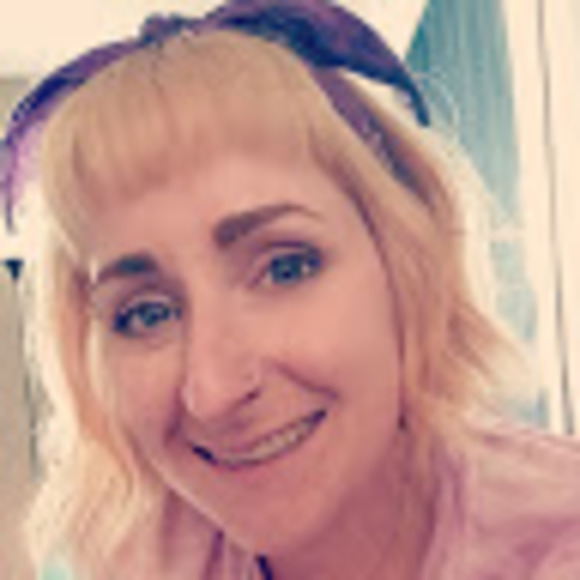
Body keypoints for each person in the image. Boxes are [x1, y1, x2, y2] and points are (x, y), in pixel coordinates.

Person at [2, 1, 580, 578]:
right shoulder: (128, 556)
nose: (213, 391)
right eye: (147, 314)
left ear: (405, 261)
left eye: (285, 268)